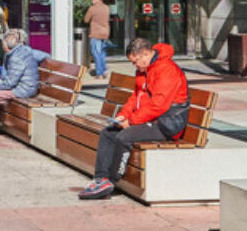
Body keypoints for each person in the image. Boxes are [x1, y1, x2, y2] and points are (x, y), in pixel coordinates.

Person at [79, 38, 189, 200]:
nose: (134, 65)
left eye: (135, 61)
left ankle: (112, 180)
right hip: (152, 118)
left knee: (125, 137)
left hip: (168, 123)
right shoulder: (145, 68)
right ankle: (100, 179)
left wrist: (131, 122)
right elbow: (137, 97)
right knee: (108, 133)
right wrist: (124, 115)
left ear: (146, 54)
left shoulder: (166, 70)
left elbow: (159, 105)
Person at [84, 0, 111, 79]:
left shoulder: (92, 8)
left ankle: (99, 73)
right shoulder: (107, 8)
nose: (92, 0)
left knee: (96, 54)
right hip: (105, 33)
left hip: (96, 34)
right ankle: (104, 71)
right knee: (102, 53)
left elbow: (86, 20)